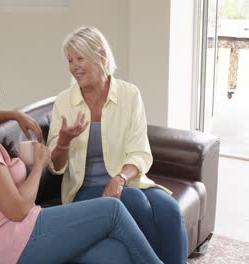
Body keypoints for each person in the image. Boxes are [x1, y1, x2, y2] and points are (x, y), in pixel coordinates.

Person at [0, 60, 163, 264]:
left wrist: (14, 114)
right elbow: (19, 209)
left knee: (117, 254)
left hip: (20, 234)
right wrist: (39, 164)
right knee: (112, 210)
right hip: (11, 244)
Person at [46, 26, 188, 264]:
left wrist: (120, 178)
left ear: (101, 55)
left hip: (127, 180)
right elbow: (55, 166)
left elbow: (140, 152)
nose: (74, 66)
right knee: (135, 202)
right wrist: (63, 142)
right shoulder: (65, 101)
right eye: (70, 60)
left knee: (169, 209)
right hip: (84, 190)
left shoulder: (129, 95)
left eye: (80, 58)